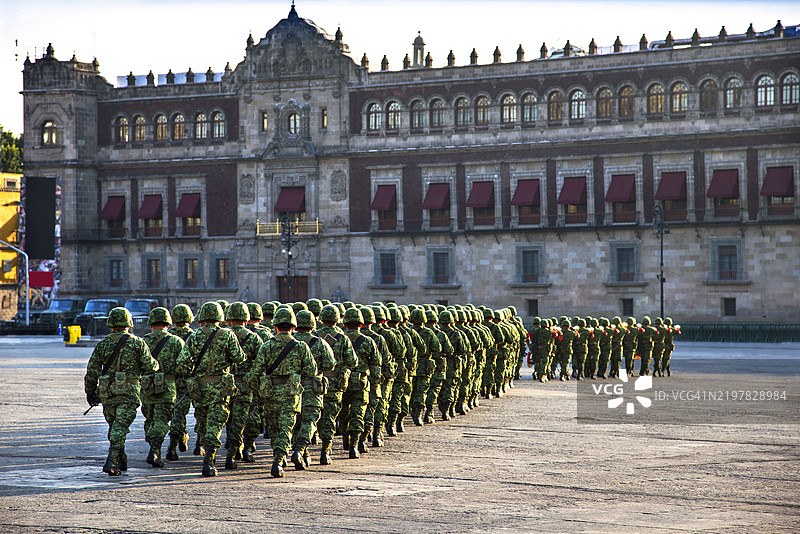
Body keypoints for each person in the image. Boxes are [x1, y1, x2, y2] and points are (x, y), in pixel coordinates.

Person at [84, 307, 158, 476]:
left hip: (108, 393)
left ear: (110, 325)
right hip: (129, 393)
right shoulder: (138, 343)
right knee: (120, 427)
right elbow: (151, 366)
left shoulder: (103, 344)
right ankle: (111, 460)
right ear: (129, 324)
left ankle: (121, 460)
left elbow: (92, 370)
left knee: (115, 427)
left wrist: (90, 393)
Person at [176, 301, 246, 477]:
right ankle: (209, 461)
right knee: (215, 424)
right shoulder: (227, 335)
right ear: (220, 318)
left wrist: (191, 378)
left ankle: (205, 454)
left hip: (199, 389)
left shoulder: (194, 337)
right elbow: (239, 357)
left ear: (201, 319)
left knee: (204, 422)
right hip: (220, 388)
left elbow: (182, 363)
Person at [246, 307, 317, 477]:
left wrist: (260, 391)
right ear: (293, 327)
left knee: (275, 427)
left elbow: (254, 373)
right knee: (286, 427)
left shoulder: (266, 346)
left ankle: (279, 456)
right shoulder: (301, 347)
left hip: (270, 394)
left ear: (275, 326)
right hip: (291, 395)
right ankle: (278, 462)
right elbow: (312, 371)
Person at [140, 307, 184, 468]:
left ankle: (152, 443)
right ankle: (155, 449)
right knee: (162, 419)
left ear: (151, 323)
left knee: (149, 418)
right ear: (168, 323)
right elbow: (184, 365)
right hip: (167, 386)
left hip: (146, 386)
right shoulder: (176, 341)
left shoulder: (143, 341)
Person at [314, 304, 357, 465]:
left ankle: (309, 443)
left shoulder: (314, 336)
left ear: (321, 319)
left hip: (316, 383)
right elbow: (352, 361)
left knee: (315, 415)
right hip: (335, 384)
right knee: (330, 418)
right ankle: (325, 451)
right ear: (338, 320)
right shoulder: (343, 338)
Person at [291, 310, 335, 468]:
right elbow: (330, 364)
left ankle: (303, 453)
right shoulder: (320, 342)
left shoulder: (290, 341)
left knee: (296, 422)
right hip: (313, 389)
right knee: (310, 421)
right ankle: (300, 450)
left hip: (292, 388)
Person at [222, 302, 263, 469]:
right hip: (246, 385)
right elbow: (261, 363)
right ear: (246, 318)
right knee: (245, 418)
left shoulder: (221, 336)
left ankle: (233, 450)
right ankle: (244, 449)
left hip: (224, 384)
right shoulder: (254, 338)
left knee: (228, 419)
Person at [167, 304, 195, 459]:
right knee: (184, 413)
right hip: (188, 382)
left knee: (176, 413)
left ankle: (176, 441)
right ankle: (175, 444)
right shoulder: (195, 336)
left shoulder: (167, 336)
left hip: (168, 382)